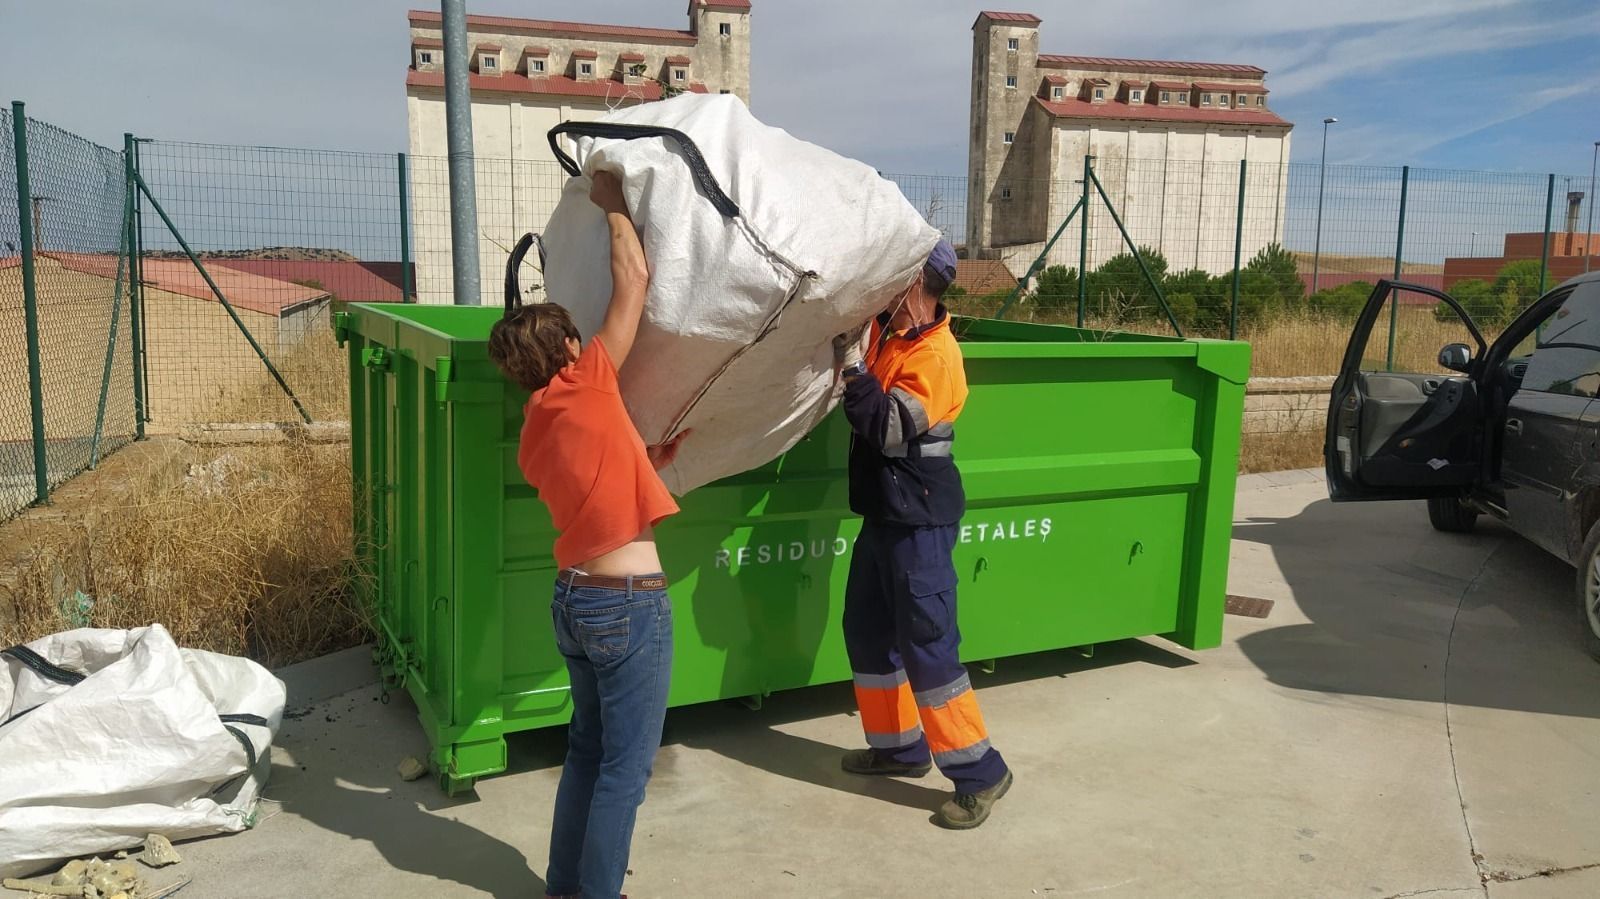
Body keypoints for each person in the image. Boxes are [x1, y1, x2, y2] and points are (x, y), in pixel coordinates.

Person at [488, 170, 686, 899]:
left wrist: (644, 459)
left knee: (587, 752)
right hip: (626, 605)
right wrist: (611, 203)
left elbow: (594, 480)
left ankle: (564, 887)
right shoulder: (590, 381)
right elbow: (634, 278)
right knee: (624, 772)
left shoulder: (536, 428)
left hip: (575, 600)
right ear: (570, 346)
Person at [832, 238, 1013, 829]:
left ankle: (980, 773)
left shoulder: (935, 356)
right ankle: (899, 748)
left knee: (929, 648)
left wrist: (853, 368)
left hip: (920, 526)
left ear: (916, 284)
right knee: (867, 633)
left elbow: (888, 427)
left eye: (896, 277)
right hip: (886, 516)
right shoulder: (895, 337)